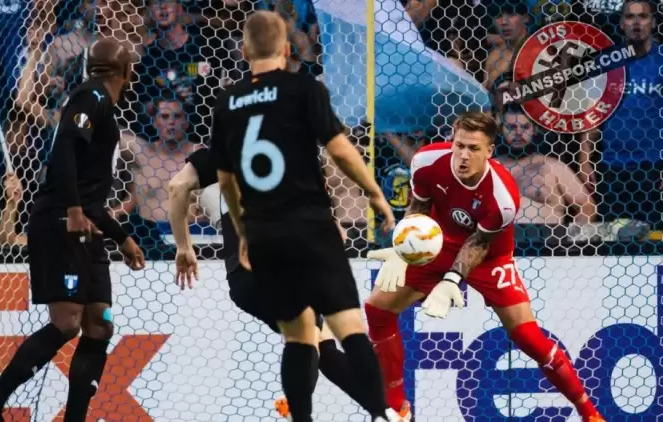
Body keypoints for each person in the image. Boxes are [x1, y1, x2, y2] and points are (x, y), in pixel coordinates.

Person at [208, 10, 401, 422]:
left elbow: (226, 181)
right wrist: (374, 193)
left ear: (243, 51)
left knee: (299, 337)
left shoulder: (226, 102)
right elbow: (340, 149)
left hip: (264, 234)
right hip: (310, 225)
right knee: (349, 327)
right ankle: (381, 415)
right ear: (285, 49)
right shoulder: (302, 88)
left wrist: (244, 233)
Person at [365, 112, 605, 422]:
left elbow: (478, 244)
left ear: (489, 151)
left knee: (528, 337)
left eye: (473, 148)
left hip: (489, 256)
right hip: (437, 243)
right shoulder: (426, 161)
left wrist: (451, 280)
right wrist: (404, 250)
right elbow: (419, 207)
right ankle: (397, 409)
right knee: (378, 310)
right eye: (459, 145)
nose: (463, 155)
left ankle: (590, 414)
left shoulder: (503, 195)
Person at [0, 38, 146, 422]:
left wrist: (122, 237)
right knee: (67, 324)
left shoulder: (101, 105)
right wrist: (74, 210)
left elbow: (92, 196)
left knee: (99, 325)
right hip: (63, 223)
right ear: (127, 73)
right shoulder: (91, 96)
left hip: (88, 229)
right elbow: (64, 148)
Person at [168, 148, 409, 420]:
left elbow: (177, 187)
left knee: (323, 346)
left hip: (246, 279)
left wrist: (183, 247)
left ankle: (383, 413)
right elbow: (335, 231)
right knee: (312, 339)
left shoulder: (224, 153)